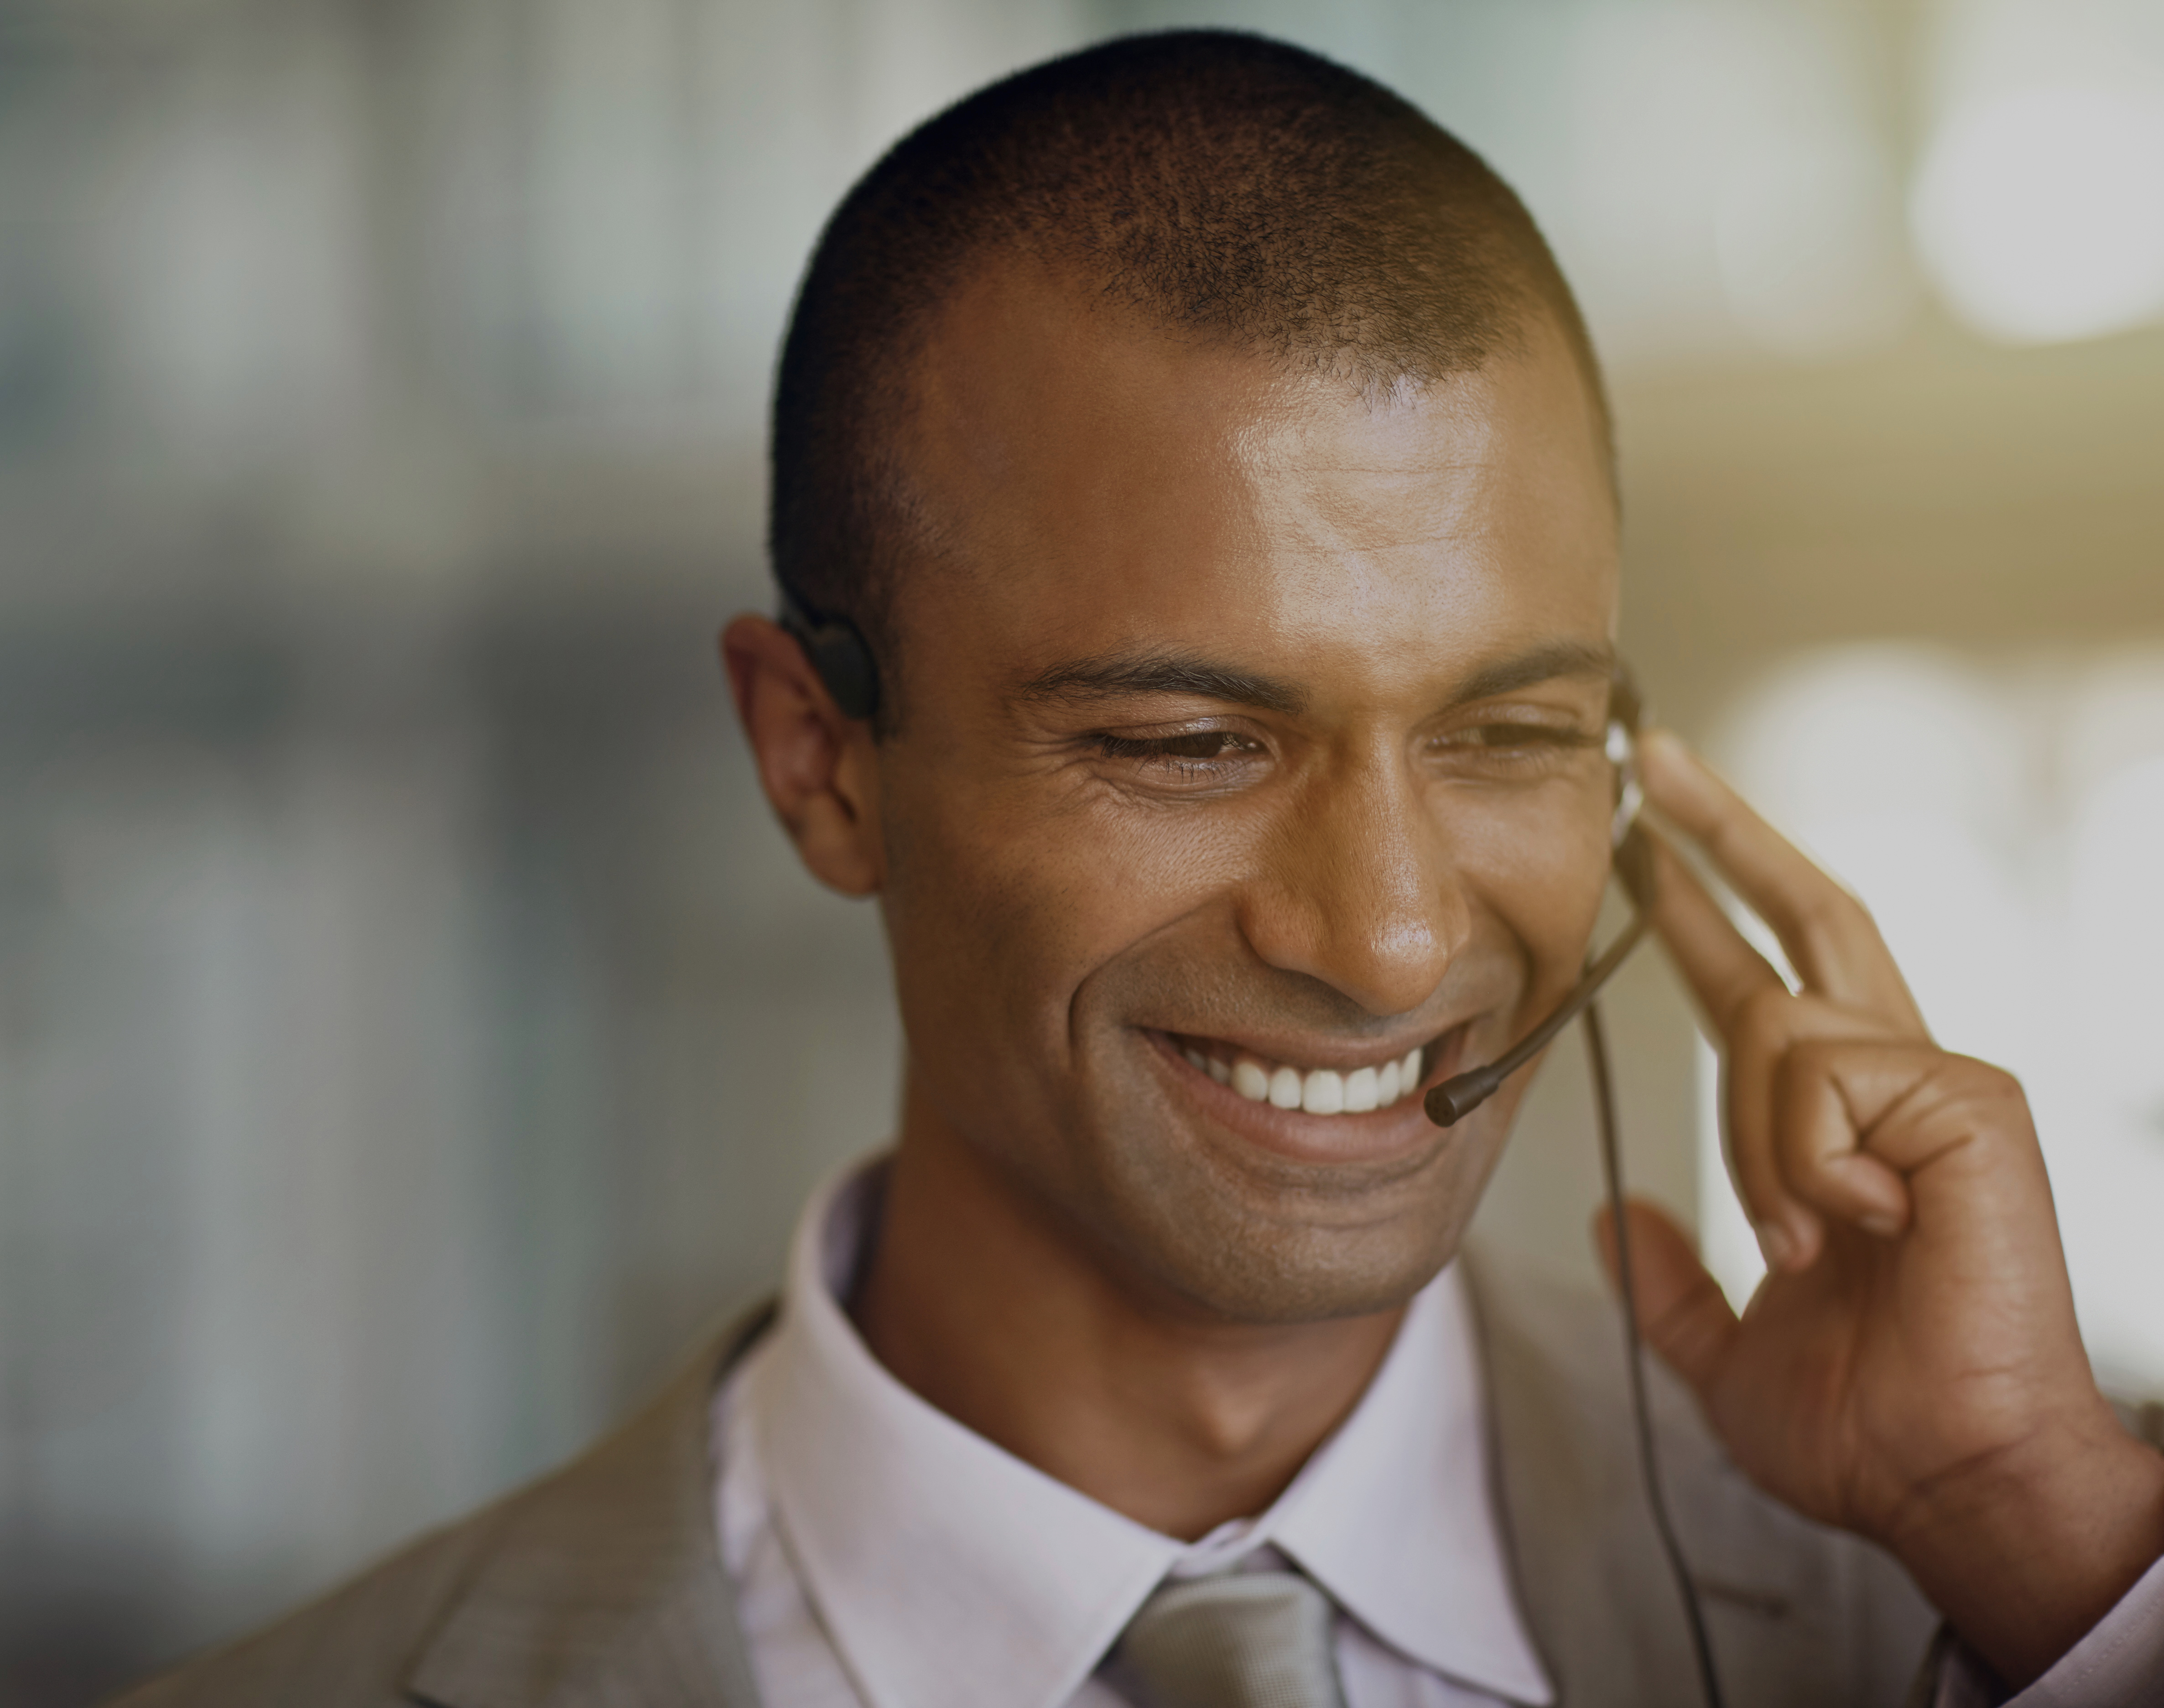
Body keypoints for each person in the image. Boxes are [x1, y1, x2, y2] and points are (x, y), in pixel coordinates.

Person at [111, 31, 2164, 1708]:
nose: (1389, 937)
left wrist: (2042, 1535)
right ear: (820, 761)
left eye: (1513, 734)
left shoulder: (2000, 1615)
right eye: (1190, 744)